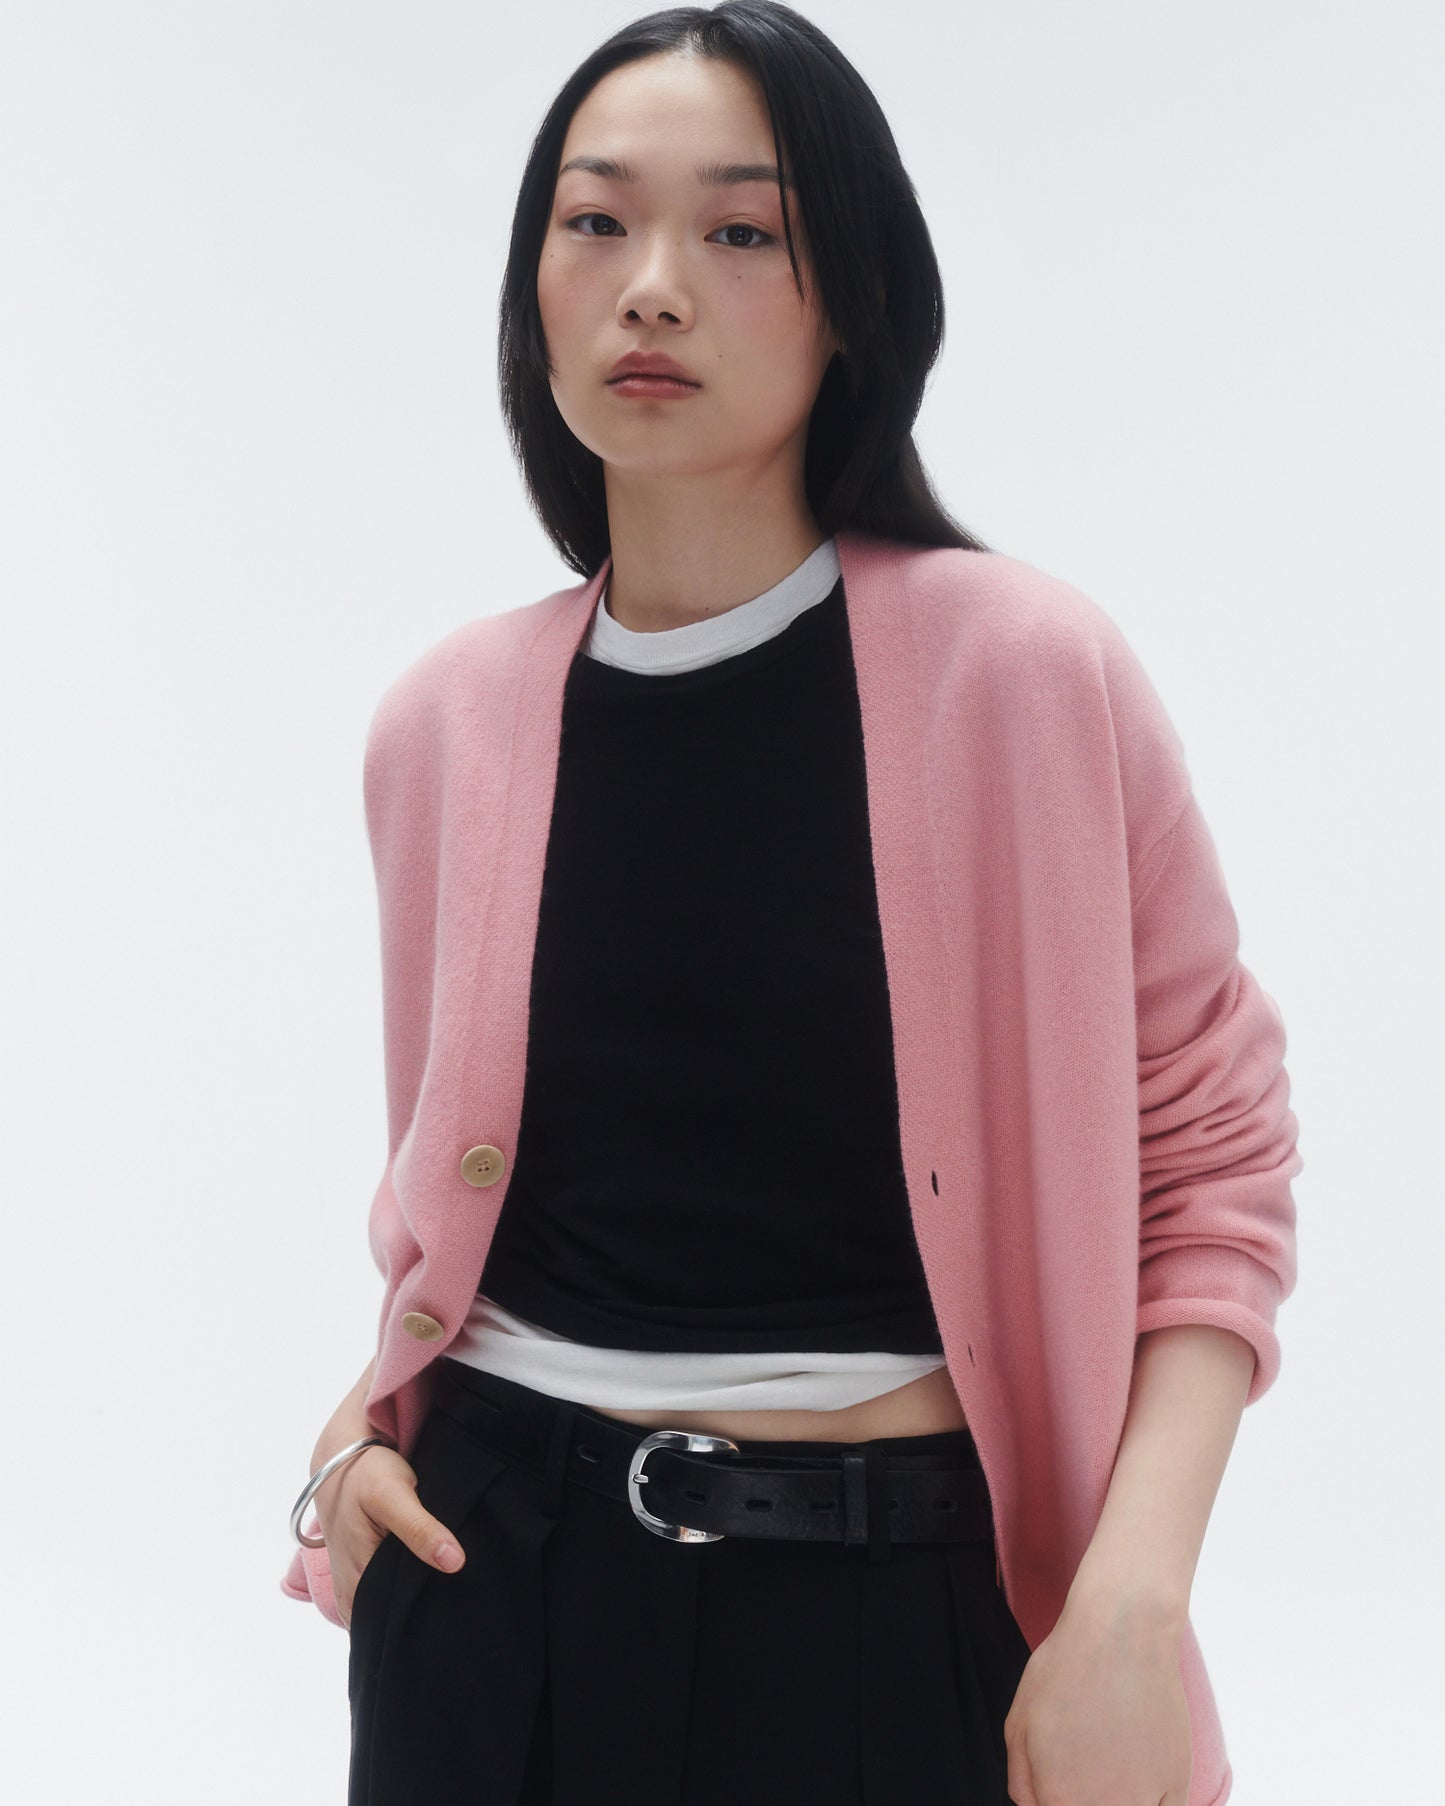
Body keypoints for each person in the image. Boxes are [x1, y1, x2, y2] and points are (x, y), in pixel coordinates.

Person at [282, 6, 1302, 1805]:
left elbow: (1212, 1167)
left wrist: (1131, 1603)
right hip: (487, 1603)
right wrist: (359, 1435)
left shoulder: (1021, 677)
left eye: (741, 229)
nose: (651, 287)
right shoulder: (444, 725)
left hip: (892, 1618)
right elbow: (463, 1202)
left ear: (855, 300)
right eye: (596, 220)